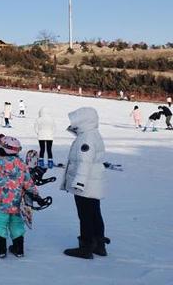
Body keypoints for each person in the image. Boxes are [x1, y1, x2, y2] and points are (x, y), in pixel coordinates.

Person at [61, 107, 109, 259]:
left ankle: (86, 247)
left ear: (83, 121)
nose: (73, 123)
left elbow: (85, 162)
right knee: (94, 213)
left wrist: (79, 183)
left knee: (85, 215)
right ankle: (99, 245)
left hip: (85, 184)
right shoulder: (92, 134)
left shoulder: (86, 138)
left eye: (75, 121)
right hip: (93, 183)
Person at [0, 134, 36, 258]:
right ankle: (18, 249)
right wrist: (35, 195)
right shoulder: (21, 164)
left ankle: (1, 250)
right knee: (16, 223)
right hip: (18, 202)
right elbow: (28, 182)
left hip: (1, 203)